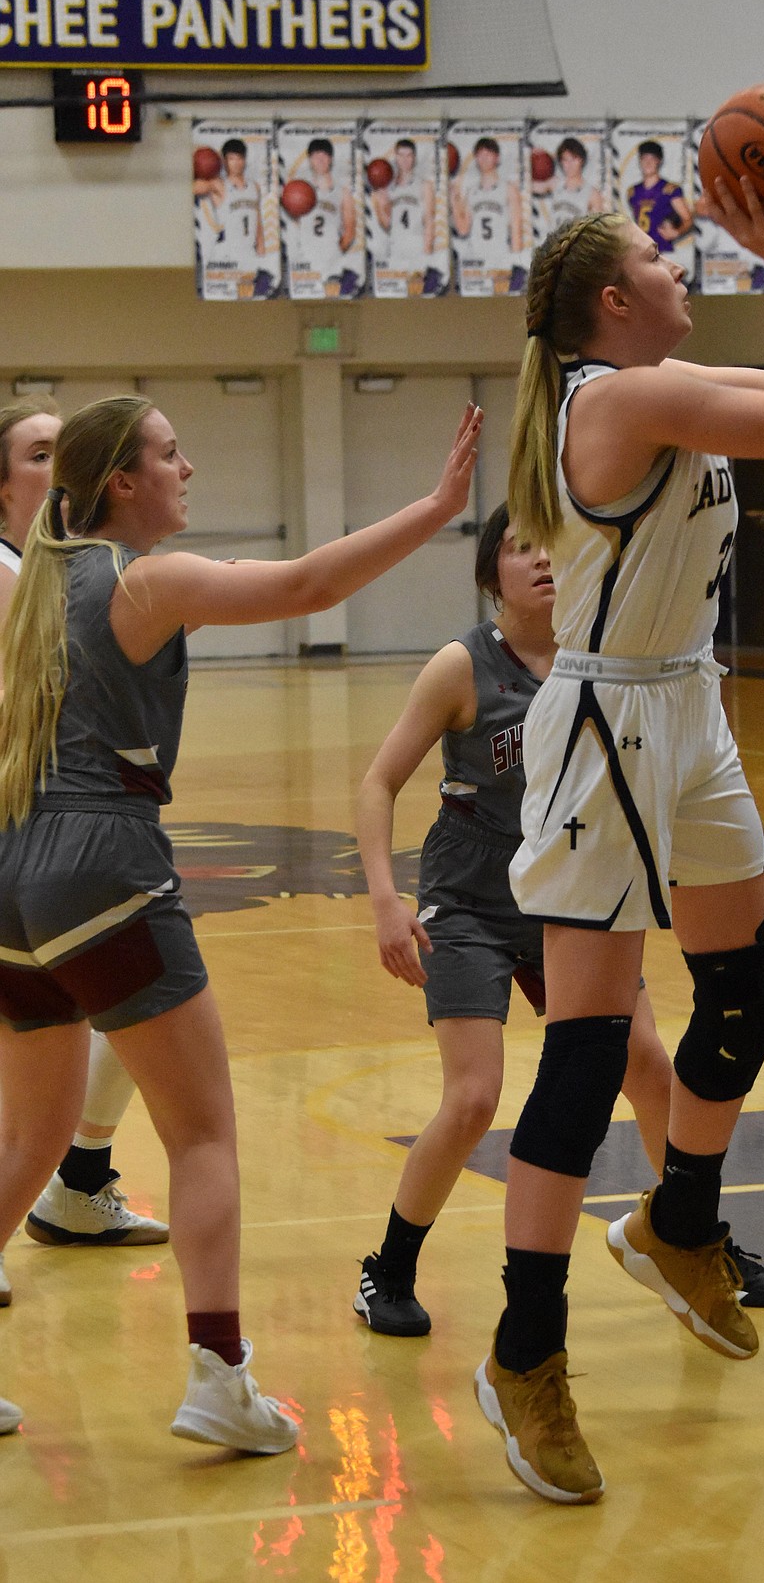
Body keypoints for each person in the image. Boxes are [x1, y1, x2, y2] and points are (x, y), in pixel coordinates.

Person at [473, 147, 764, 1505]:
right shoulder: (620, 398)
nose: (672, 257)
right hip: (601, 731)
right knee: (585, 1055)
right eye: (651, 256)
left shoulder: (659, 390)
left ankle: (681, 1217)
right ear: (612, 305)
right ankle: (526, 1347)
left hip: (686, 708)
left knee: (745, 983)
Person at [0, 394, 481, 1446]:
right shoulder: (144, 575)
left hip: (12, 875)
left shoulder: (37, 581)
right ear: (123, 481)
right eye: (171, 454)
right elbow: (307, 583)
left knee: (32, 1135)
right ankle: (218, 1379)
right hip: (101, 865)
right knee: (204, 1131)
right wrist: (435, 506)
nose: (189, 470)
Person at [353, 505, 764, 1336]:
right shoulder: (461, 665)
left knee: (649, 1065)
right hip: (475, 900)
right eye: (521, 549)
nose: (542, 562)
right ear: (492, 572)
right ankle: (390, 1266)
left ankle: (694, 1235)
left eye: (554, 547)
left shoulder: (606, 659)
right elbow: (378, 780)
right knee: (474, 1097)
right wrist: (386, 896)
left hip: (573, 890)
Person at [0, 399, 167, 1323]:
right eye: (37, 454)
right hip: (29, 840)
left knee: (140, 1002)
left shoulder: (61, 572)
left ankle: (82, 1179)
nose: (57, 465)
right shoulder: (19, 578)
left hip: (51, 840)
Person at [450, 137, 525, 282]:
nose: (484, 158)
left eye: (488, 154)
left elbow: (516, 230)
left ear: (497, 157)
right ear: (476, 158)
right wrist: (454, 201)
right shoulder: (471, 192)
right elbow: (463, 229)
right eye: (480, 154)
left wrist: (516, 262)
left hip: (501, 260)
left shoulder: (509, 189)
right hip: (475, 260)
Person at [292, 137, 359, 296]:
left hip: (332, 263)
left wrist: (334, 253)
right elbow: (293, 226)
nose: (320, 159)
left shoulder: (343, 193)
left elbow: (350, 231)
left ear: (331, 159)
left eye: (324, 155)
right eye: (316, 155)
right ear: (309, 160)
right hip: (305, 262)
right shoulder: (298, 191)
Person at [370, 138, 436, 263]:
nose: (405, 160)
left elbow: (429, 222)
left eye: (409, 155)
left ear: (414, 158)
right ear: (396, 157)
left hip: (418, 248)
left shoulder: (424, 185)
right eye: (401, 155)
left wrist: (427, 255)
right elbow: (387, 224)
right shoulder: (388, 188)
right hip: (395, 249)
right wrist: (380, 206)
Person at [625, 141, 692, 253]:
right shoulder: (633, 191)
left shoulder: (670, 190)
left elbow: (688, 219)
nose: (648, 163)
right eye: (644, 159)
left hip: (662, 252)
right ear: (640, 161)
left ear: (659, 161)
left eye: (652, 159)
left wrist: (677, 232)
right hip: (641, 252)